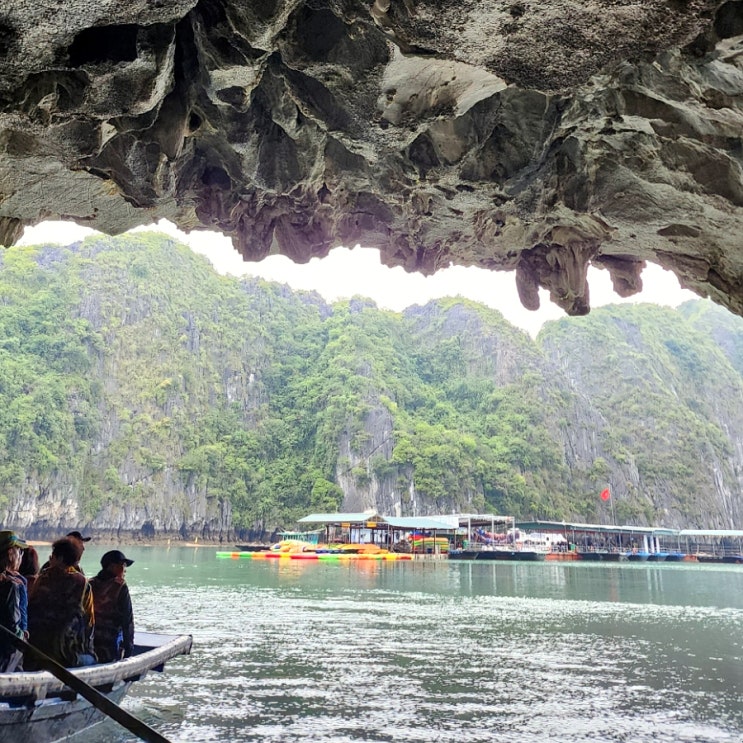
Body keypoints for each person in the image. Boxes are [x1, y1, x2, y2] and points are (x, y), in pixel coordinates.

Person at [28, 537, 96, 668]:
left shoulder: (42, 578)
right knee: (92, 660)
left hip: (34, 650)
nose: (50, 557)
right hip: (66, 654)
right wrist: (89, 650)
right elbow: (89, 622)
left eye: (53, 555)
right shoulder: (82, 583)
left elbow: (31, 606)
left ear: (59, 558)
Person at [89, 550, 135, 663]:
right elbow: (127, 621)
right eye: (123, 565)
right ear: (112, 566)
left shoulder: (89, 584)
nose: (125, 570)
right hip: (110, 645)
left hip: (89, 644)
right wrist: (129, 651)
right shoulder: (120, 586)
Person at [0, 530, 29, 672]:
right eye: (19, 551)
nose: (21, 556)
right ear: (11, 553)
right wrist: (22, 636)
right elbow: (13, 626)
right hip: (5, 652)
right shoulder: (11, 585)